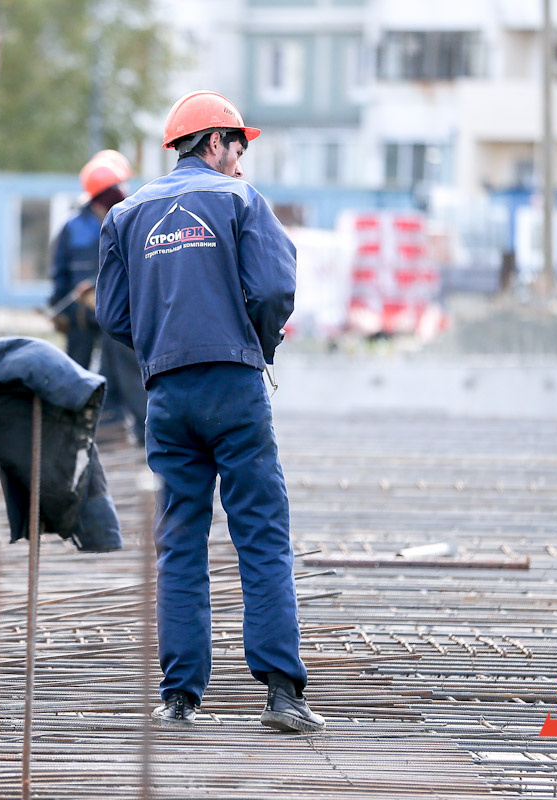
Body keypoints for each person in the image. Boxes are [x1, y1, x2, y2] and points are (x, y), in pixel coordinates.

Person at [95, 90, 324, 732]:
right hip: (234, 386)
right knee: (261, 532)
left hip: (166, 395)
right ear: (215, 142)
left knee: (179, 541)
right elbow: (274, 288)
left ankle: (179, 699)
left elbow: (112, 315)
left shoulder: (127, 214)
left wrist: (166, 348)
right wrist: (256, 342)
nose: (240, 163)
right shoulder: (240, 201)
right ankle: (281, 693)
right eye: (237, 148)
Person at [50, 151, 146, 443]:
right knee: (78, 370)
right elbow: (61, 272)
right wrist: (59, 309)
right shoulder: (79, 226)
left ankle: (117, 422)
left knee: (118, 368)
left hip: (114, 309)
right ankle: (76, 427)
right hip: (85, 313)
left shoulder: (122, 220)